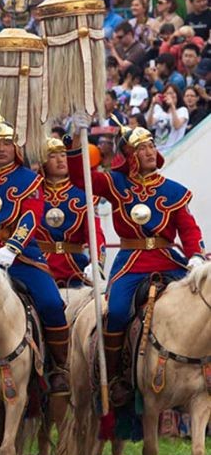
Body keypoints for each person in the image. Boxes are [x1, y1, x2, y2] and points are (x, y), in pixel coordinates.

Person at [67, 124, 205, 406]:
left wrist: (196, 256)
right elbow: (82, 179)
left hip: (168, 260)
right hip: (132, 262)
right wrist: (76, 145)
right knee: (116, 311)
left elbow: (189, 230)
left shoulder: (174, 191)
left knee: (200, 306)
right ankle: (118, 377)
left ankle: (201, 372)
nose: (150, 151)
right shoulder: (115, 184)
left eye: (152, 145)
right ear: (130, 155)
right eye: (142, 148)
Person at [0, 106, 71, 401]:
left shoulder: (30, 179)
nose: (1, 149)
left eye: (7, 143)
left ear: (16, 146)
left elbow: (30, 217)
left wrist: (12, 247)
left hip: (21, 256)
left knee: (51, 303)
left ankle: (58, 368)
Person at [35, 136, 106, 287]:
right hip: (39, 266)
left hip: (75, 267)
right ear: (43, 162)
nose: (60, 160)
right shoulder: (32, 192)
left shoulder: (84, 192)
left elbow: (95, 233)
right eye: (52, 156)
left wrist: (96, 262)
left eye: (63, 155)